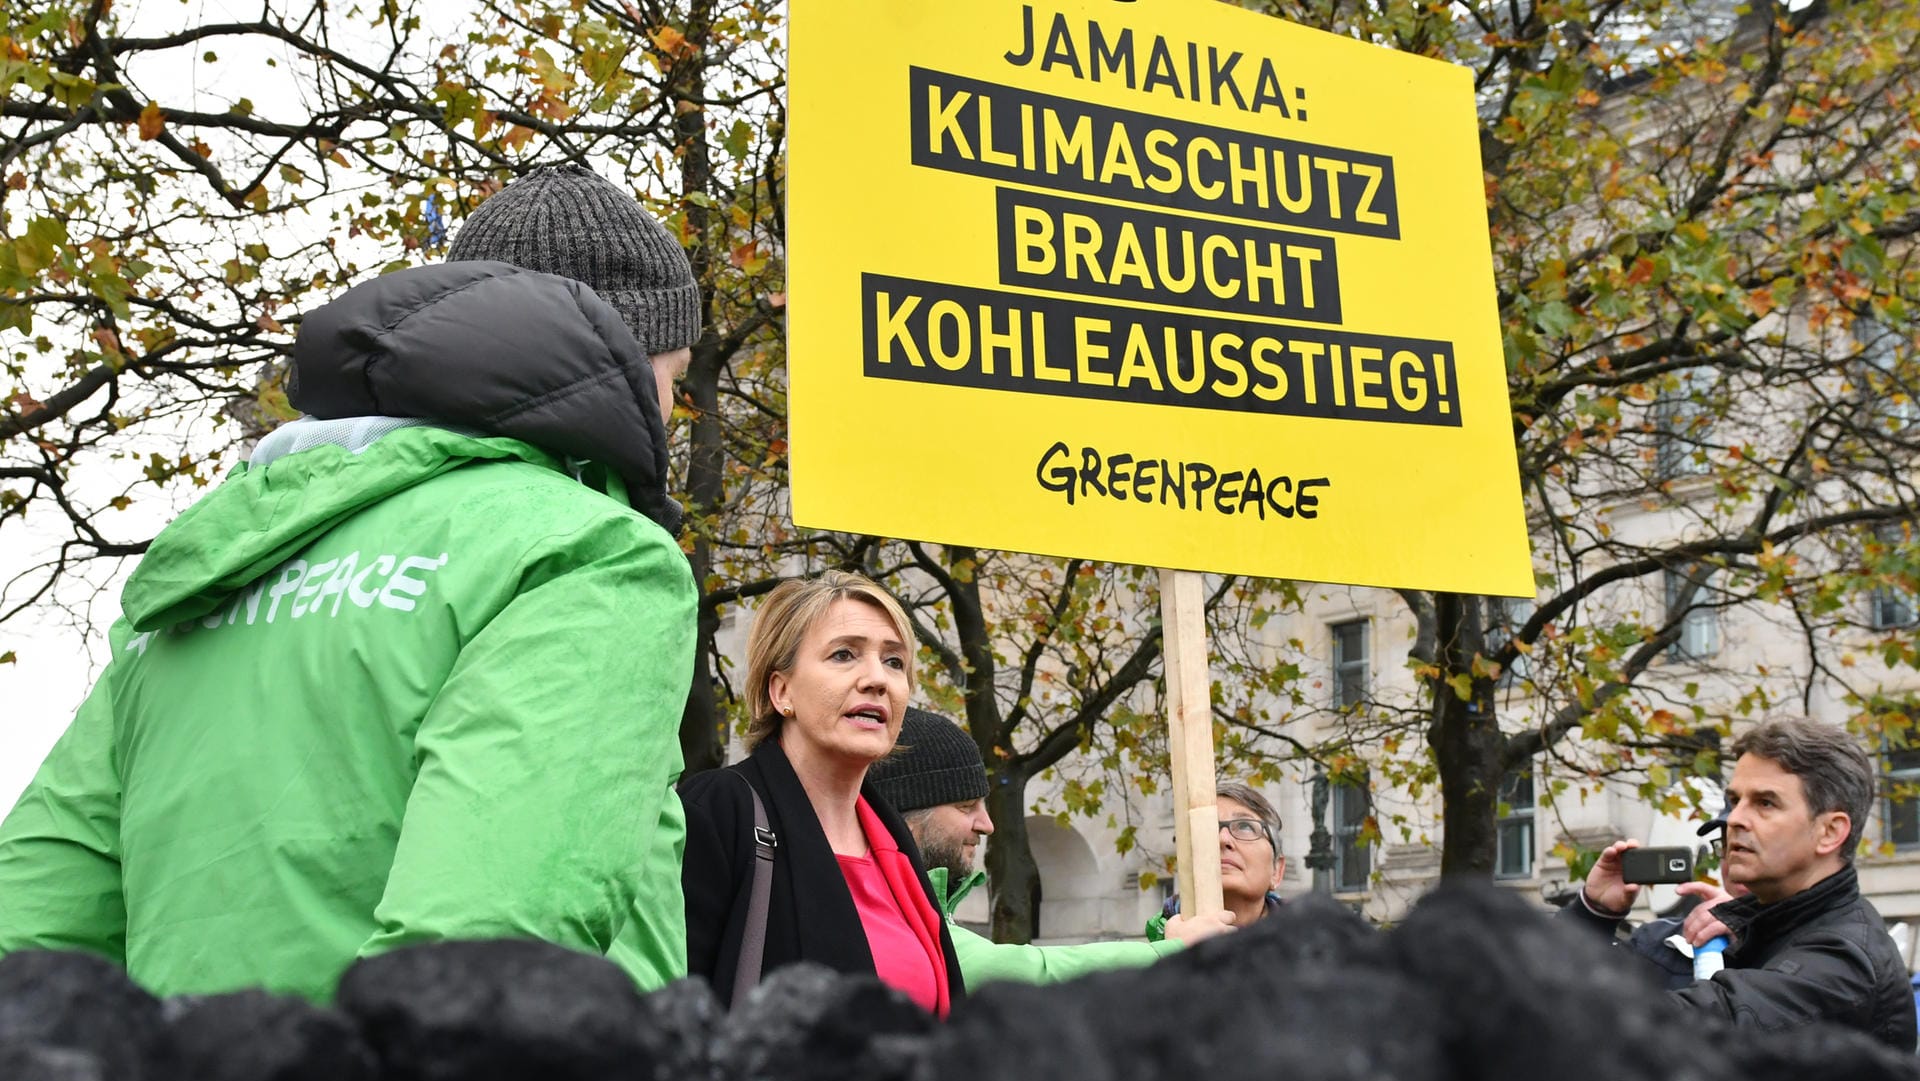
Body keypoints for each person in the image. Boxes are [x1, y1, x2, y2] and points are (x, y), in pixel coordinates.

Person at [0, 164, 701, 1000]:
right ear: (619, 359)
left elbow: (33, 932)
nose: (671, 409)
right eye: (676, 376)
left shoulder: (218, 560)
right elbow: (479, 966)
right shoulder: (593, 553)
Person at [678, 573, 965, 1014]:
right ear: (781, 691)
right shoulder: (718, 811)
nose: (877, 680)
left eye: (894, 662)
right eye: (844, 654)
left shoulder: (896, 847)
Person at [1564, 717, 1916, 1051]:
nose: (1734, 820)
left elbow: (1695, 1027)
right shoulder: (1754, 927)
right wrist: (1591, 913)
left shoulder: (1844, 962)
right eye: (1735, 801)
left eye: (1765, 803)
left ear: (1829, 832)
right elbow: (1552, 985)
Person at [865, 708, 1233, 985]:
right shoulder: (873, 906)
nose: (987, 825)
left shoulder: (914, 904)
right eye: (965, 807)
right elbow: (1010, 971)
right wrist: (1168, 953)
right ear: (906, 819)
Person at [1145, 782, 1286, 941]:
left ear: (1277, 871)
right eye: (1207, 827)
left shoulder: (1314, 952)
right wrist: (1174, 950)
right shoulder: (1138, 961)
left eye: (1245, 826)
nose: (1222, 839)